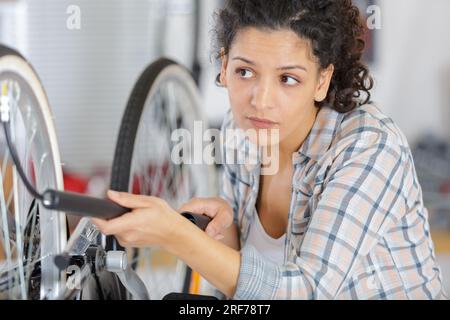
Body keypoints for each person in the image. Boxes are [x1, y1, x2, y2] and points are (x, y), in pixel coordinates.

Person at [92, 0, 447, 299]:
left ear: (322, 80)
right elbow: (246, 291)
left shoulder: (368, 146)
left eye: (287, 79)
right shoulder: (240, 131)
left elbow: (305, 291)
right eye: (245, 72)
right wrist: (226, 235)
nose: (260, 101)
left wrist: (175, 234)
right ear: (224, 64)